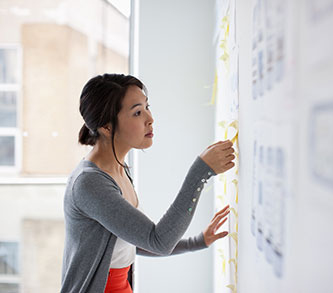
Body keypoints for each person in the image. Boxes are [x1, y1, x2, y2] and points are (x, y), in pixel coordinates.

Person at [61, 73, 235, 293]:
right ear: (106, 127)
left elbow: (135, 240)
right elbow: (158, 241)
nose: (150, 118)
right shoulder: (90, 184)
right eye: (137, 112)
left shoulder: (118, 169)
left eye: (147, 107)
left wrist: (197, 241)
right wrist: (200, 172)